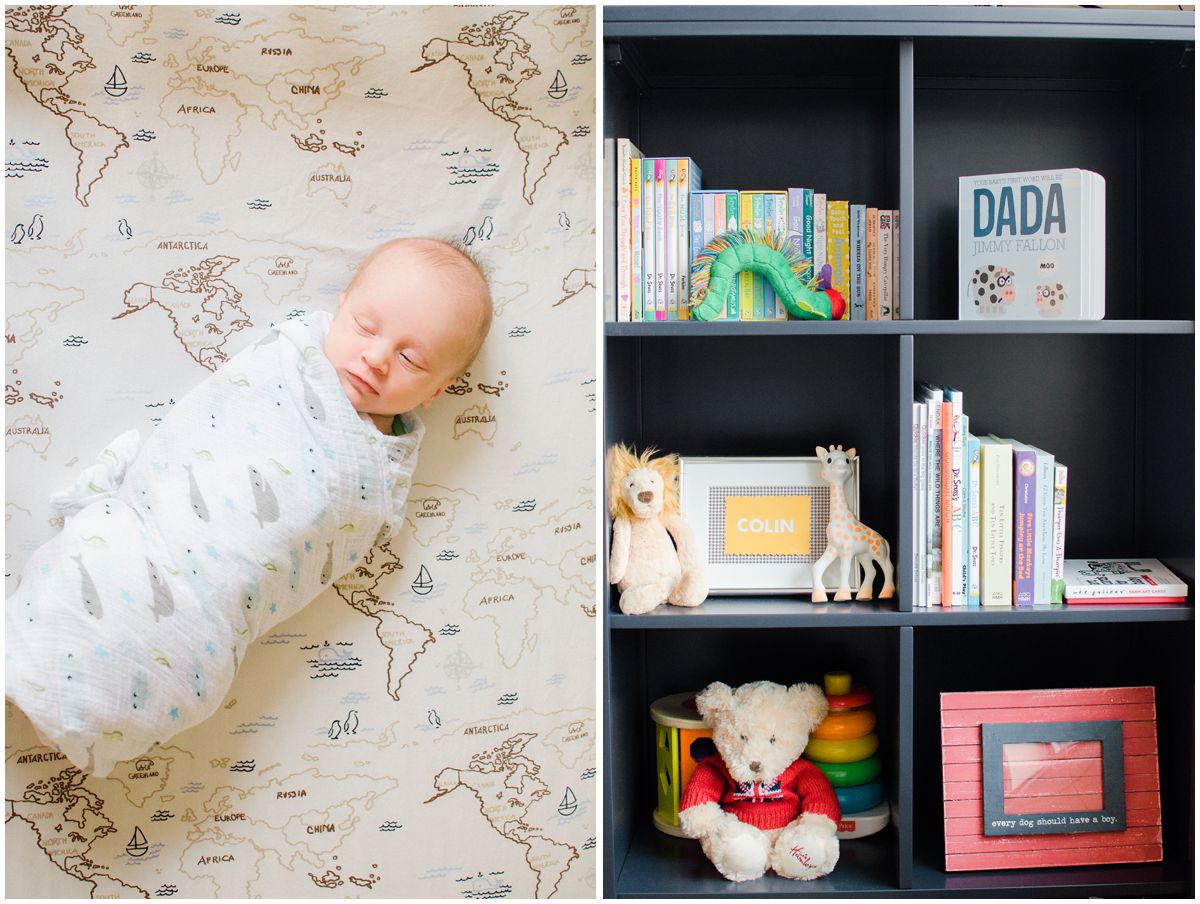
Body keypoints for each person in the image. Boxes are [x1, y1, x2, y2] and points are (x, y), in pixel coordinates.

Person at [5, 238, 492, 776]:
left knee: (160, 661)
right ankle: (44, 663)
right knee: (94, 575)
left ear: (435, 391)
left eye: (409, 358)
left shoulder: (378, 475)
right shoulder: (287, 363)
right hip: (146, 538)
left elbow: (345, 535)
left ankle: (89, 709)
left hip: (209, 622)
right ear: (342, 304)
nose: (375, 358)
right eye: (365, 326)